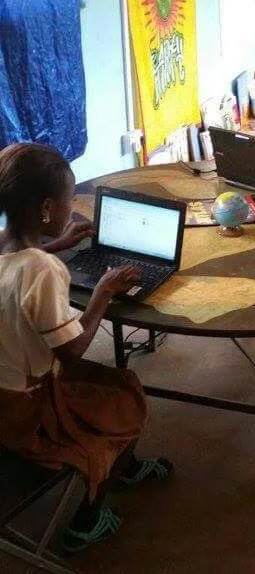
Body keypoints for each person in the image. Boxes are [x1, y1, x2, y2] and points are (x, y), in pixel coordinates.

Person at [0, 143, 172, 552]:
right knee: (125, 397)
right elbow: (73, 350)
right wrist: (103, 292)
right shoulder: (43, 271)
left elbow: (18, 266)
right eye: (67, 203)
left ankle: (125, 467)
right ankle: (89, 519)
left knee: (117, 382)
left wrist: (56, 245)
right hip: (25, 411)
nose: (71, 212)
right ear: (45, 208)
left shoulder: (10, 249)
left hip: (5, 388)